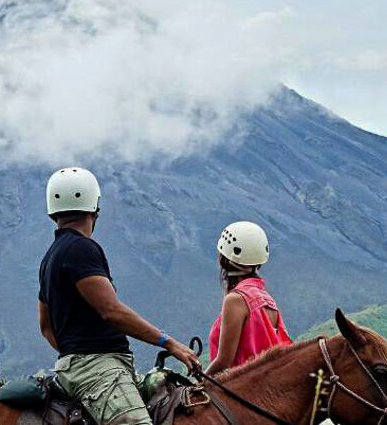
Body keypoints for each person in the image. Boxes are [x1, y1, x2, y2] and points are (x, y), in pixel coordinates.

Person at [38, 167, 201, 425]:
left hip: (86, 367)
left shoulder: (50, 257)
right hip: (98, 371)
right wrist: (169, 343)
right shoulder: (81, 249)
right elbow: (111, 311)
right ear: (94, 208)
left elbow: (46, 327)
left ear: (53, 211)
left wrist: (73, 353)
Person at [205, 221, 294, 376]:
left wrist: (198, 384)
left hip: (238, 387)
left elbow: (224, 362)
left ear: (224, 258)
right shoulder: (266, 298)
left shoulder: (235, 300)